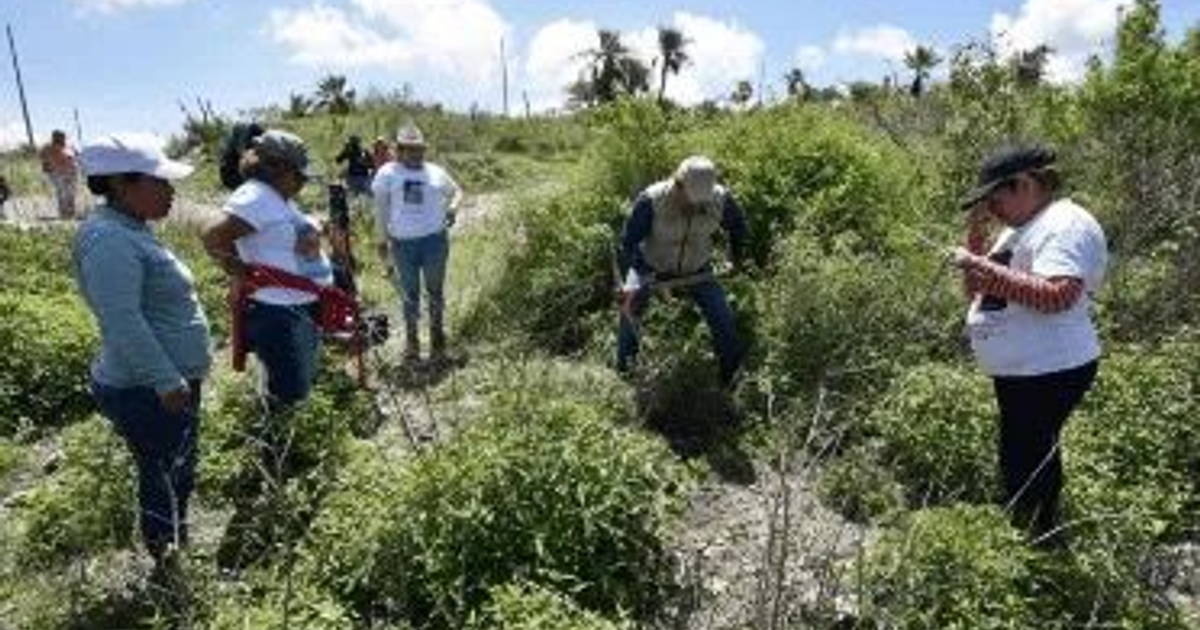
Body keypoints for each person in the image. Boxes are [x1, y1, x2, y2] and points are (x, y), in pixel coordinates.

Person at [951, 144, 1108, 545]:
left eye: (994, 197)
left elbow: (1058, 296)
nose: (990, 207)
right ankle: (1024, 527)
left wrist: (983, 267)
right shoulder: (1017, 228)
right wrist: (975, 243)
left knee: (1033, 452)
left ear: (1023, 184)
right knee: (1020, 447)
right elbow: (976, 292)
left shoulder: (1065, 223)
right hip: (1023, 368)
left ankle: (1042, 536)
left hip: (1051, 367)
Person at [72, 134, 210, 573]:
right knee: (163, 473)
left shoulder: (129, 229)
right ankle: (167, 558)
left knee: (174, 468)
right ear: (121, 184)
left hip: (161, 382)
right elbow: (123, 321)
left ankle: (174, 542)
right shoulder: (110, 240)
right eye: (162, 182)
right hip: (146, 387)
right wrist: (166, 381)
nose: (172, 192)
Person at [202, 129, 326, 408]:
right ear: (278, 168)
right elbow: (214, 237)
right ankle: (281, 445)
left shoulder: (276, 197)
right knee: (287, 393)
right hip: (278, 310)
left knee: (292, 382)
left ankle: (285, 433)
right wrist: (240, 272)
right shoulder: (256, 197)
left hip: (294, 306)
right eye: (300, 175)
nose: (303, 182)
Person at [616, 155, 748, 387]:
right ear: (677, 184)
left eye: (701, 201)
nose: (696, 205)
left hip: (697, 267)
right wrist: (628, 287)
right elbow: (627, 244)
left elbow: (738, 228)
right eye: (691, 199)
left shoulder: (720, 199)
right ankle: (625, 375)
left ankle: (731, 381)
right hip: (650, 264)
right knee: (629, 315)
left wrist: (735, 261)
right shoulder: (651, 200)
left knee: (723, 318)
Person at [372, 122, 462, 362]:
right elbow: (380, 210)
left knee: (435, 292)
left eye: (419, 148)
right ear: (399, 150)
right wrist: (381, 242)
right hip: (403, 245)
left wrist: (452, 208)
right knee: (409, 295)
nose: (415, 153)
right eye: (409, 149)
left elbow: (457, 191)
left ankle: (438, 341)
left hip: (435, 241)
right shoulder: (387, 173)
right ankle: (412, 344)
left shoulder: (435, 171)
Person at [40, 129, 79, 219]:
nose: (62, 138)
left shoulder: (68, 146)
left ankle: (71, 213)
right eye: (60, 137)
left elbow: (75, 156)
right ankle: (64, 214)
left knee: (70, 194)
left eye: (63, 136)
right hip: (58, 174)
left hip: (71, 174)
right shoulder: (48, 148)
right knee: (63, 194)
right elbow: (44, 161)